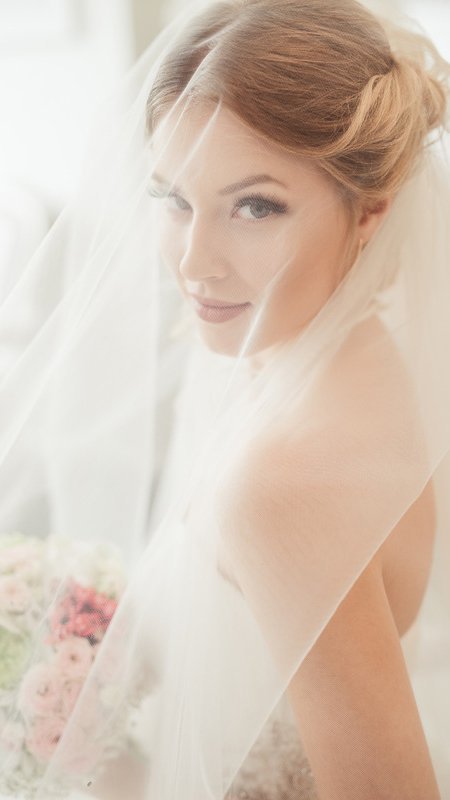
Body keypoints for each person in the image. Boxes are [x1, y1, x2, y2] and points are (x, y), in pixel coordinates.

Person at [0, 1, 450, 798]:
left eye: (255, 206)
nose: (195, 263)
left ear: (372, 210)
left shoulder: (281, 485)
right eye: (174, 198)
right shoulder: (318, 347)